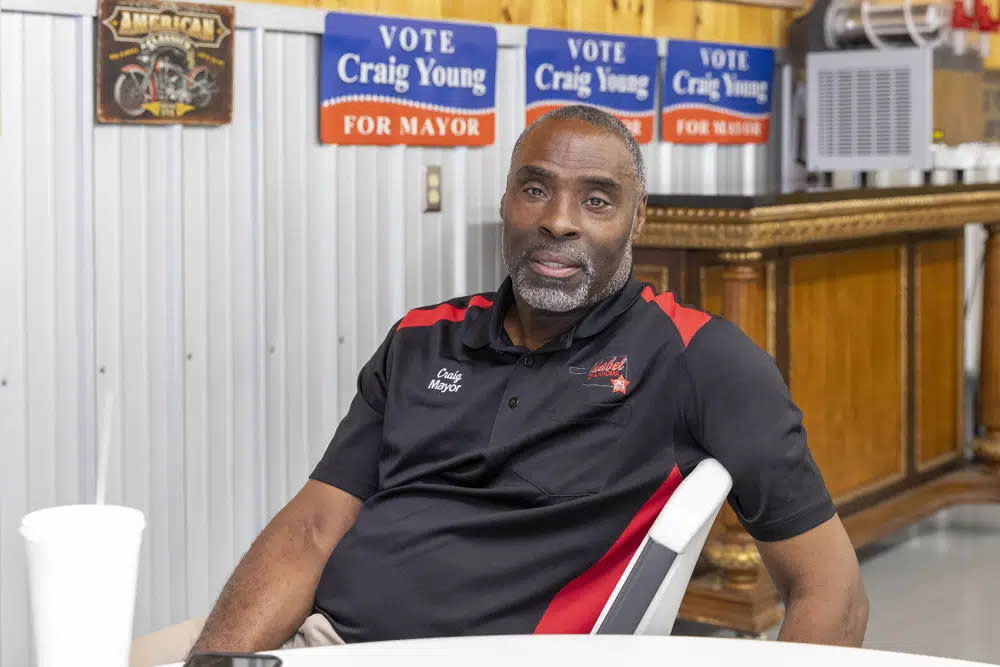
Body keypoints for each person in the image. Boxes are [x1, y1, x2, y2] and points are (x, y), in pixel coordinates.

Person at [142, 104, 868, 665]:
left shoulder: (700, 358)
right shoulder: (422, 338)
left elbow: (832, 590)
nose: (558, 222)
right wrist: (214, 659)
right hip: (329, 641)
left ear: (637, 219)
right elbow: (311, 528)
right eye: (535, 189)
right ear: (506, 203)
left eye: (596, 199)